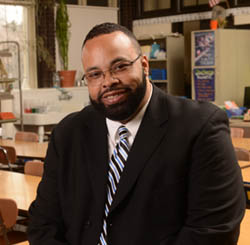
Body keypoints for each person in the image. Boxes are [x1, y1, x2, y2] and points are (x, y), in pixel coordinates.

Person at [28, 22, 246, 245]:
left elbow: (214, 232)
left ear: (144, 65)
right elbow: (43, 224)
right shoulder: (67, 134)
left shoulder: (200, 128)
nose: (108, 82)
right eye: (95, 74)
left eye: (120, 67)